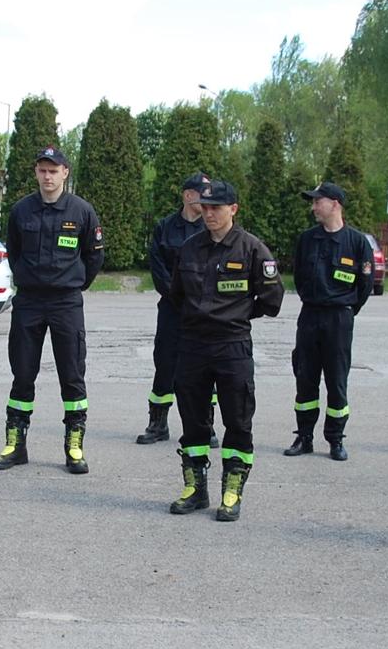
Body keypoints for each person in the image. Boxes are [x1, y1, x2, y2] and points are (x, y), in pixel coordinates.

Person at [160, 180, 283, 521]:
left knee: (238, 421)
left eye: (217, 207)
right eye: (206, 206)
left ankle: (232, 491)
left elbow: (272, 300)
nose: (209, 212)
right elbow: (177, 295)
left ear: (234, 209)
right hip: (193, 345)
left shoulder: (252, 249)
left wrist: (237, 313)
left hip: (232, 346)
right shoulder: (189, 248)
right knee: (193, 421)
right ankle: (195, 489)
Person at [0, 146, 104, 474]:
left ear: (65, 173)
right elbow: (14, 251)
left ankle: (74, 446)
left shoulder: (81, 211)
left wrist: (74, 283)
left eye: (54, 170)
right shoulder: (21, 210)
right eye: (42, 170)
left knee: (72, 375)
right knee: (23, 373)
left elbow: (94, 257)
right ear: (37, 173)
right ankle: (15, 444)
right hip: (29, 302)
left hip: (66, 302)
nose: (48, 176)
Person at [285, 181, 375, 461]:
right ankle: (304, 437)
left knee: (336, 380)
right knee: (305, 378)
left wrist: (346, 309)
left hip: (339, 318)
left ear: (335, 204)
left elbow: (365, 284)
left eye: (317, 201)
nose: (313, 207)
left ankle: (336, 439)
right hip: (310, 315)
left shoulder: (357, 242)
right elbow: (299, 277)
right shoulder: (307, 239)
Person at [138, 172, 210, 445]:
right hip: (172, 309)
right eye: (202, 193)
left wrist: (201, 302)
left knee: (205, 367)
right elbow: (159, 269)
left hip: (203, 312)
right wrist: (178, 298)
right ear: (188, 195)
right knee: (165, 364)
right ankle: (158, 425)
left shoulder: (210, 227)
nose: (207, 199)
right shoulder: (165, 227)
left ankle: (206, 426)